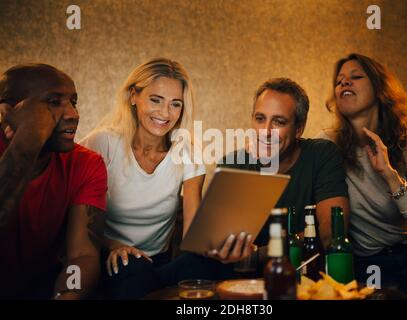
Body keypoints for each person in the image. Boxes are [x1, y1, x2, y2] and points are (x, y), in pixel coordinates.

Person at [80, 58, 253, 299]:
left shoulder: (188, 152)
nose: (165, 113)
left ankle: (154, 286)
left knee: (216, 266)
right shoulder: (102, 144)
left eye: (175, 104)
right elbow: (79, 225)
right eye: (155, 100)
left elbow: (193, 236)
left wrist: (222, 248)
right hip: (110, 257)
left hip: (157, 263)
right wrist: (114, 246)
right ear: (133, 96)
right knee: (131, 269)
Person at [319, 53, 407, 299]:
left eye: (356, 77)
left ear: (380, 90)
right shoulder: (327, 146)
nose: (344, 83)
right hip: (364, 262)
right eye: (339, 81)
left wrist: (390, 176)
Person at [0, 64, 107, 299]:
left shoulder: (86, 163)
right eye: (54, 102)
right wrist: (27, 144)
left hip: (42, 287)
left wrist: (65, 297)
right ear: (7, 110)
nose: (73, 114)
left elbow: (81, 255)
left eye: (73, 102)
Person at [219, 77, 350, 252]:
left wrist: (257, 254)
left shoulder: (321, 155)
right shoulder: (232, 165)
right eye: (260, 118)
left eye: (279, 122)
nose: (266, 132)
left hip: (301, 274)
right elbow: (219, 243)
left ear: (299, 129)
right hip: (241, 276)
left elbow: (332, 234)